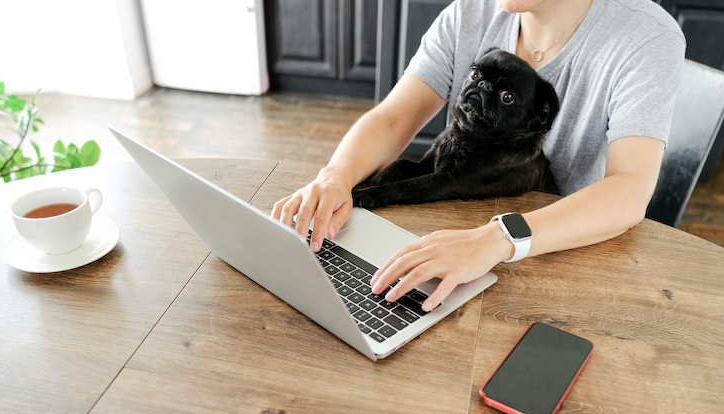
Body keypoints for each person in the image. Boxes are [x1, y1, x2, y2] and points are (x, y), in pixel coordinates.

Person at [272, 0, 686, 312]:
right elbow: (396, 117)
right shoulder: (469, 13)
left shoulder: (647, 36)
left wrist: (499, 238)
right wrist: (335, 176)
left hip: (562, 253)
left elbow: (630, 187)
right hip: (451, 229)